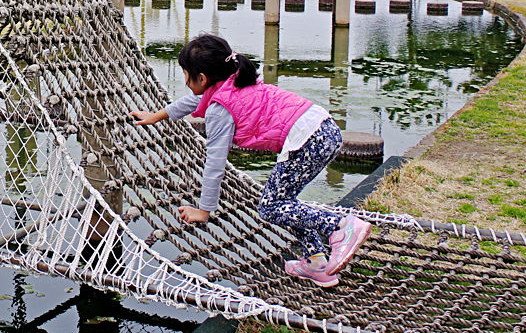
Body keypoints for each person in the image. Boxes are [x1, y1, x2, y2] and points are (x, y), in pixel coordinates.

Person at [130, 33, 370, 287]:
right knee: (285, 202)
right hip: (323, 129)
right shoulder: (234, 79)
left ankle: (342, 227)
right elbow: (195, 100)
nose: (186, 83)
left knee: (271, 207)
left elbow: (215, 161)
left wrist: (204, 209)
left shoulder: (220, 110)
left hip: (307, 140)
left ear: (201, 78)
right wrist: (158, 116)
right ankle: (316, 263)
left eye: (187, 76)